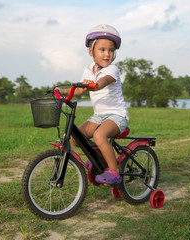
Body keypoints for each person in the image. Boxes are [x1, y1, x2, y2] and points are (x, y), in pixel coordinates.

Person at [57, 24, 128, 184]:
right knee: (76, 138)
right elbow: (79, 90)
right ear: (91, 51)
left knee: (99, 135)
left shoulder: (112, 69)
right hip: (99, 116)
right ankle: (98, 157)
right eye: (102, 50)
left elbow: (103, 82)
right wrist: (62, 90)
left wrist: (95, 84)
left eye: (111, 50)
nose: (107, 54)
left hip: (117, 115)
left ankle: (114, 171)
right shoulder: (89, 68)